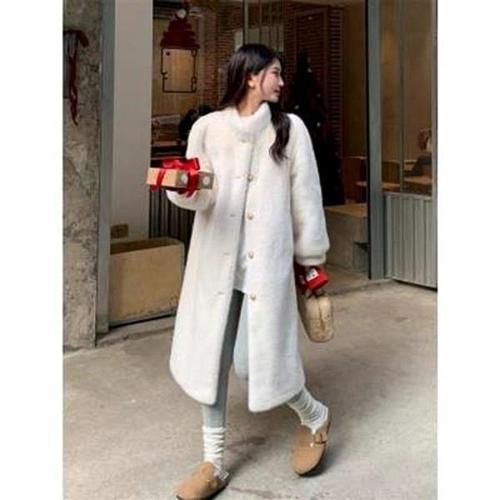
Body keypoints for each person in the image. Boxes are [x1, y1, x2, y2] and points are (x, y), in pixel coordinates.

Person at [167, 44, 333, 500]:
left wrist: (311, 260)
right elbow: (202, 194)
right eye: (275, 72)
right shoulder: (207, 128)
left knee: (258, 360)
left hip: (265, 267)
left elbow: (306, 198)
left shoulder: (290, 130)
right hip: (215, 266)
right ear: (250, 76)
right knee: (212, 360)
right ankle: (213, 462)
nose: (281, 81)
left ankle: (315, 415)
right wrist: (183, 186)